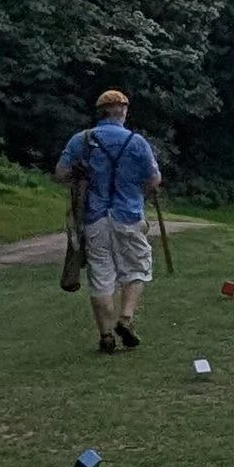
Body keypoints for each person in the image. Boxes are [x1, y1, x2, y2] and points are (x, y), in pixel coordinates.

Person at [57, 89, 164, 354]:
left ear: (100, 113)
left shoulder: (81, 140)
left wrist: (76, 173)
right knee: (137, 269)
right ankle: (125, 319)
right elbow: (154, 179)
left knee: (101, 278)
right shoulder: (137, 142)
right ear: (122, 111)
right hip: (128, 215)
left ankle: (106, 335)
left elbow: (60, 174)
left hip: (94, 218)